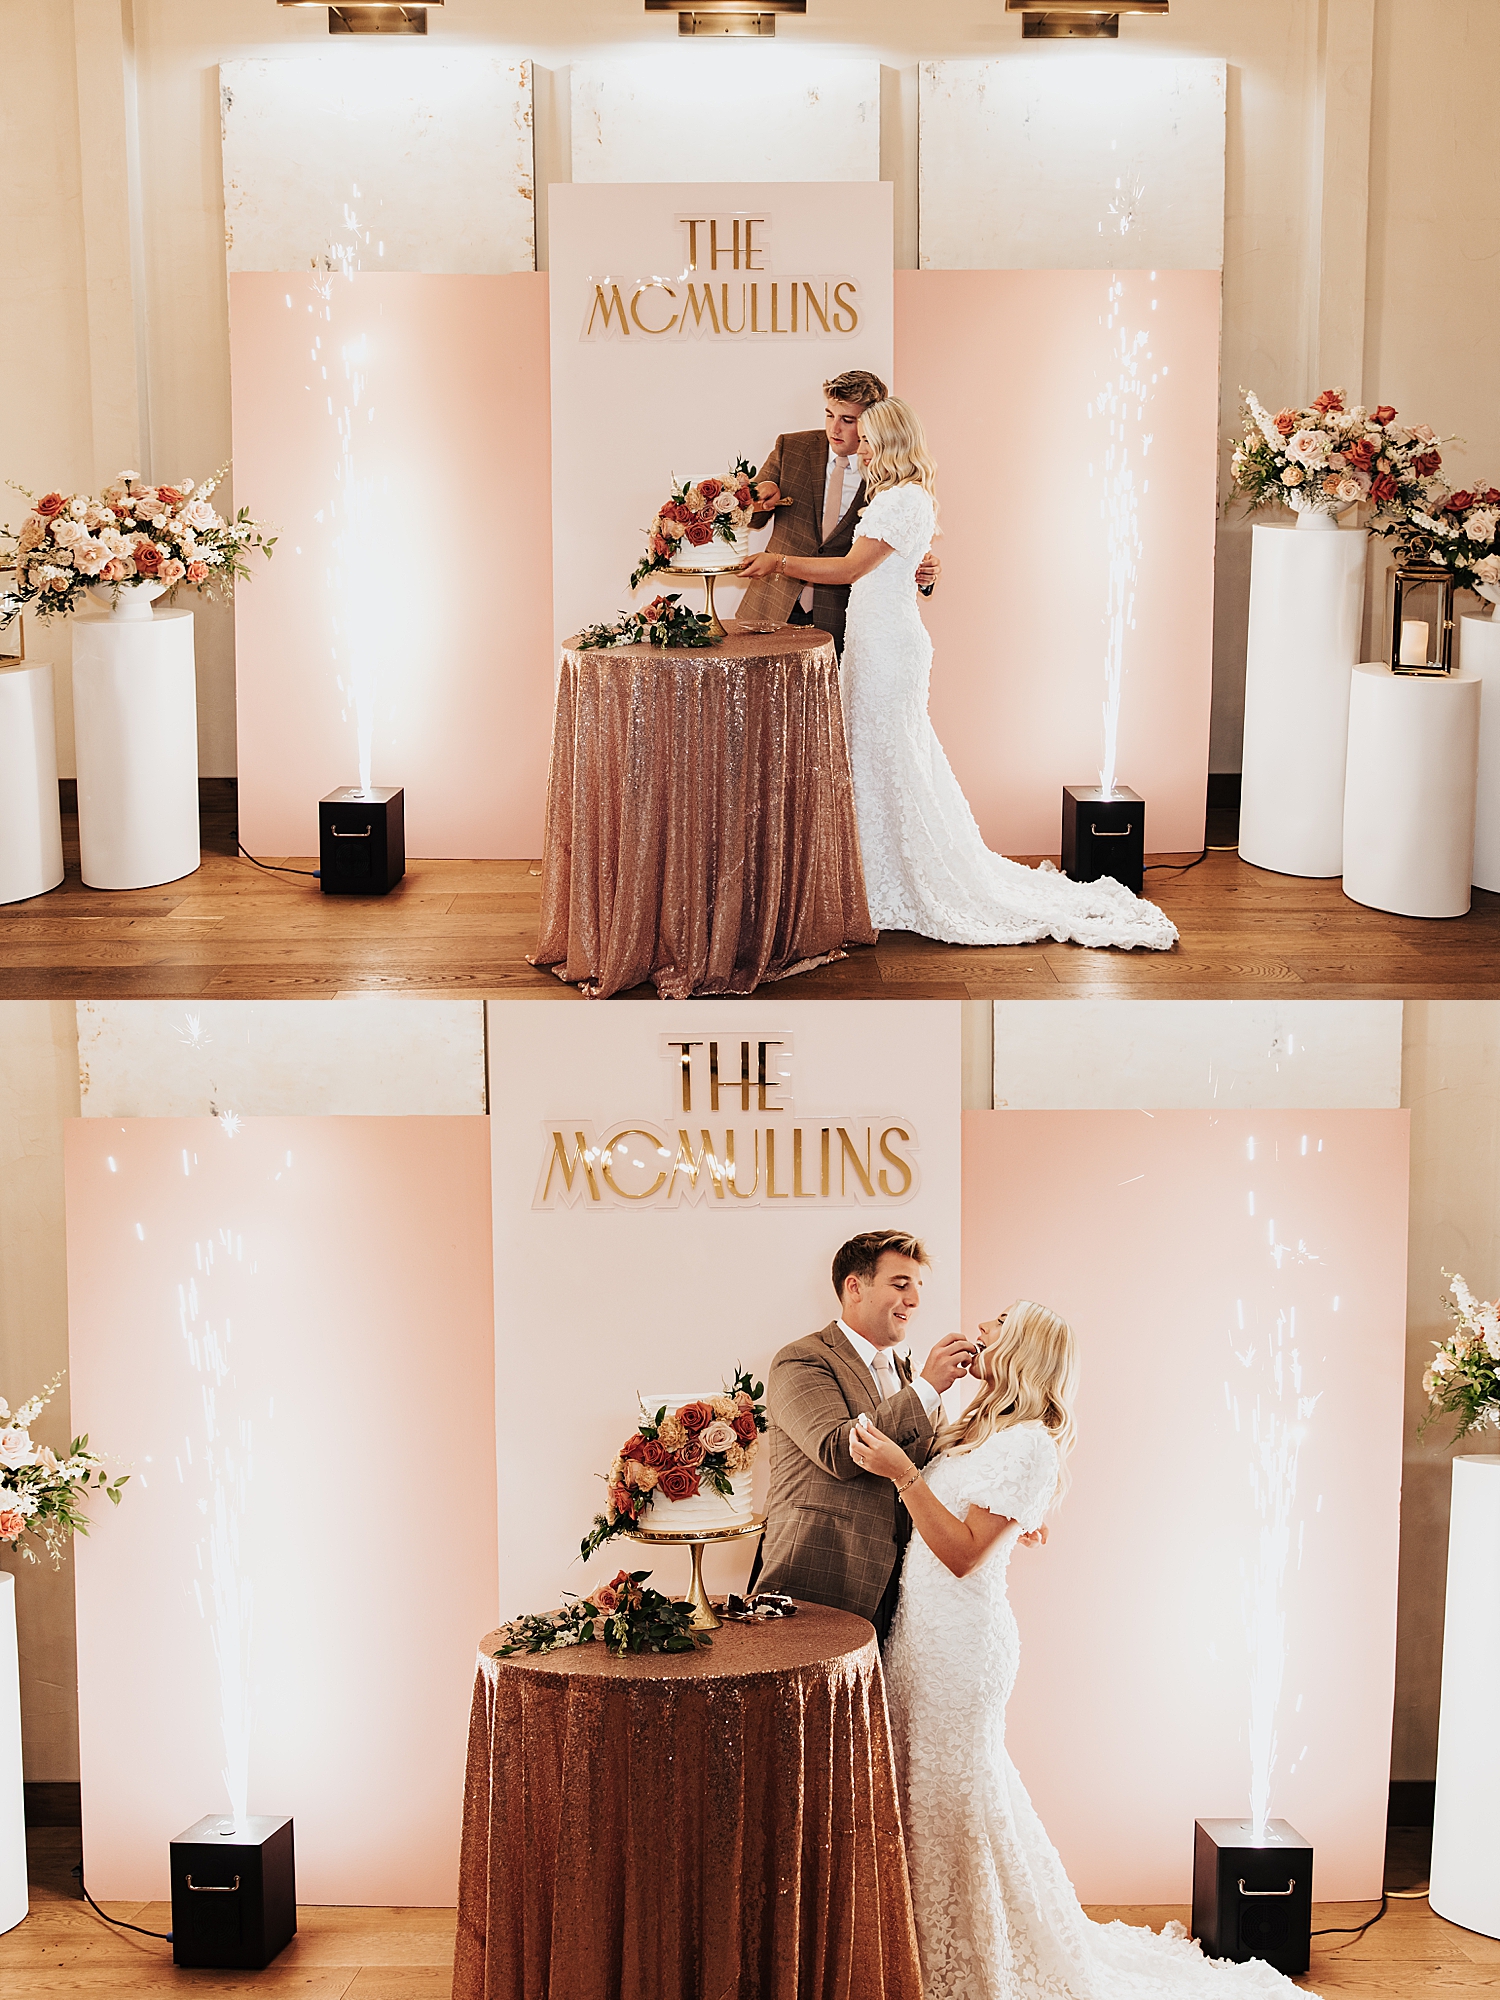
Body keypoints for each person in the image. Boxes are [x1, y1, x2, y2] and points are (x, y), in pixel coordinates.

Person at [849, 1304, 1314, 2000]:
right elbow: (969, 1518)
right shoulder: (982, 1428)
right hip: (921, 1640)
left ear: (1023, 1347)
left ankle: (976, 1959)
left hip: (963, 1651)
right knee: (930, 1797)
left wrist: (903, 1475)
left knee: (958, 1799)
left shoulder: (1029, 1443)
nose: (982, 1328)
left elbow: (963, 1554)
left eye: (999, 1322)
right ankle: (922, 1947)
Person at [739, 396, 1179, 953]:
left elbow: (851, 569)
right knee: (876, 758)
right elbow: (895, 566)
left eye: (868, 438)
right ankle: (873, 874)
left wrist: (778, 562)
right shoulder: (899, 496)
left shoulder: (901, 499)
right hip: (875, 642)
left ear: (890, 442)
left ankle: (895, 878)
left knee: (888, 758)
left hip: (887, 647)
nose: (860, 447)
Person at [751, 1229, 980, 1647]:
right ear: (855, 1287)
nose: (914, 1299)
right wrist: (927, 1387)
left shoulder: (909, 1375)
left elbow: (939, 1464)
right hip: (820, 1576)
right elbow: (837, 1450)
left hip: (901, 1590)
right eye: (900, 1284)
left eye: (917, 1286)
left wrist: (1007, 1506)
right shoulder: (802, 1359)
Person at [737, 369, 939, 655]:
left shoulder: (889, 478)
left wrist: (922, 569)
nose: (834, 429)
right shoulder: (791, 447)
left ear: (874, 420)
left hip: (840, 619)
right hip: (772, 607)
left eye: (848, 420)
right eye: (829, 415)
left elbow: (879, 553)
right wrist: (758, 496)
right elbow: (753, 518)